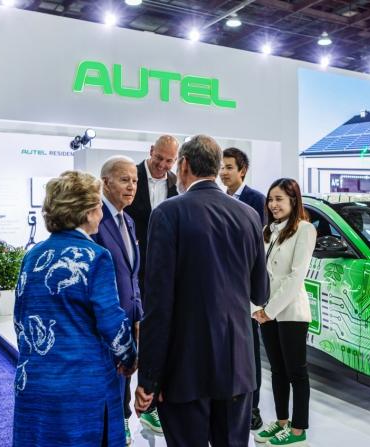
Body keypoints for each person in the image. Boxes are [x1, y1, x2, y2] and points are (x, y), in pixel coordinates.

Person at [135, 135, 269, 446]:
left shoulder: (167, 213)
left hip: (184, 368)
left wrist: (149, 378)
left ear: (183, 165)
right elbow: (261, 293)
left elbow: (158, 304)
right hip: (237, 366)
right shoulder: (249, 215)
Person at [13, 170, 137, 447]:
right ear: (88, 212)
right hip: (81, 384)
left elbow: (21, 319)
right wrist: (129, 357)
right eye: (99, 205)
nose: (101, 213)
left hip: (34, 380)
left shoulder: (32, 255)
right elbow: (111, 321)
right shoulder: (95, 256)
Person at [253, 178, 316, 447]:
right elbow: (256, 272)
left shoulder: (304, 229)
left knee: (296, 373)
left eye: (279, 199)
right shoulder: (267, 230)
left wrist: (269, 310)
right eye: (270, 199)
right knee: (277, 371)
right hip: (265, 312)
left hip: (290, 312)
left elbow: (296, 277)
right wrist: (257, 308)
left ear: (293, 199)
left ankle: (298, 431)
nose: (273, 204)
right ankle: (281, 423)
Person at [123, 134, 178, 432]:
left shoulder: (177, 184)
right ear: (150, 151)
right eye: (159, 158)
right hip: (131, 273)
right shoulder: (130, 176)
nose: (163, 165)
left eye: (169, 161)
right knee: (126, 342)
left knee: (156, 338)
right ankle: (122, 414)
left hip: (163, 275)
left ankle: (151, 405)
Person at [92, 156, 142, 445]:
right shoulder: (94, 220)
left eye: (134, 181)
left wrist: (138, 313)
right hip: (104, 322)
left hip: (129, 317)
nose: (131, 186)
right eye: (125, 180)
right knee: (107, 381)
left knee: (125, 376)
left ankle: (121, 421)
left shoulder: (130, 221)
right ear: (106, 182)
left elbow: (133, 275)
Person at [220, 147, 267, 430]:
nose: (223, 172)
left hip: (246, 289)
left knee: (250, 353)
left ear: (242, 170)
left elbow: (259, 249)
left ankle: (253, 407)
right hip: (221, 288)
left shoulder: (256, 201)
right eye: (221, 167)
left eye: (229, 167)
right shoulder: (220, 199)